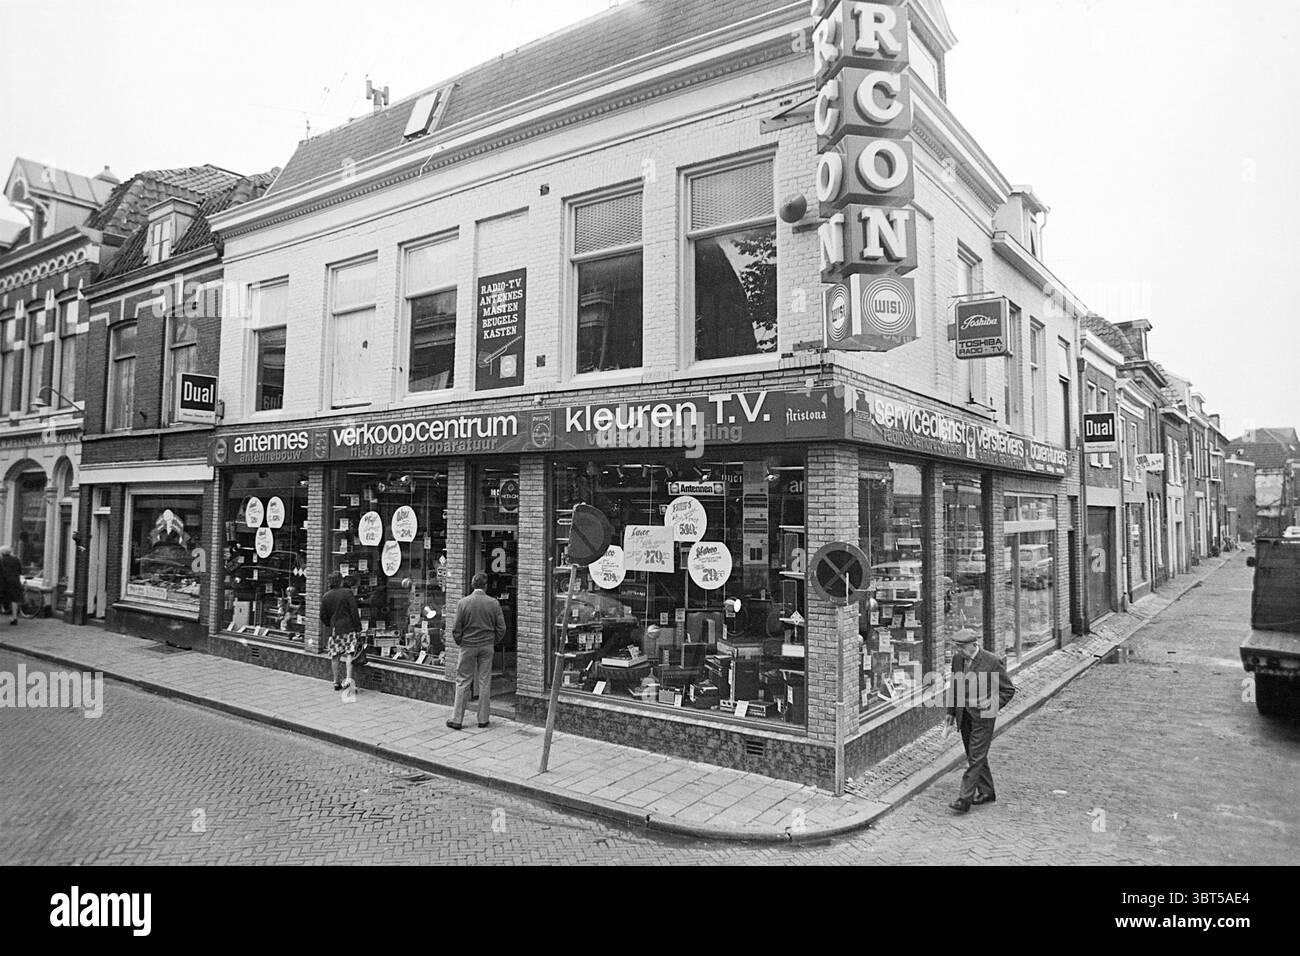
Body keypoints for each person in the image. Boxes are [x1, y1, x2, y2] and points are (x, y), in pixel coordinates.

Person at [944, 629, 1015, 813]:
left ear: (974, 645)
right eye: (957, 647)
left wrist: (991, 705)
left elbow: (1008, 690)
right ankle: (987, 792)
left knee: (975, 756)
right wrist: (951, 712)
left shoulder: (992, 661)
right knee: (974, 753)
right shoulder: (958, 660)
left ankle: (964, 798)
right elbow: (955, 685)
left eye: (962, 647)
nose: (959, 651)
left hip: (983, 717)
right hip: (964, 715)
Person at [446, 572, 505, 730]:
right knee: (484, 681)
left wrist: (461, 642)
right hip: (487, 646)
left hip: (468, 646)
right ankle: (483, 719)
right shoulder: (493, 603)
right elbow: (502, 628)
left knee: (463, 681)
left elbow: (456, 628)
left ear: (472, 585)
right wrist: (493, 641)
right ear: (485, 586)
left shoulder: (463, 603)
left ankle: (457, 719)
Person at [319, 573, 362, 692]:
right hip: (348, 627)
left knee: (335, 656)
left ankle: (336, 682)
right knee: (350, 653)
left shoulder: (326, 596)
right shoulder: (347, 593)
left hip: (335, 630)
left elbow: (323, 615)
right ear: (340, 581)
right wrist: (358, 628)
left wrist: (330, 624)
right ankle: (348, 679)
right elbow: (354, 611)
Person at [0, 545, 23, 625]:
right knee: (14, 599)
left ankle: (3, 610)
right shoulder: (16, 560)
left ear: (2, 553)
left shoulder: (1, 560)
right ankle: (14, 617)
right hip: (15, 581)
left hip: (4, 582)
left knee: (1, 598)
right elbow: (20, 571)